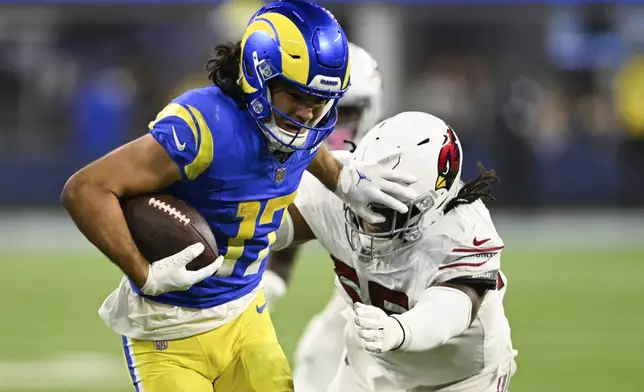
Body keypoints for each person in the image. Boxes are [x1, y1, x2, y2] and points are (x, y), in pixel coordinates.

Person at [59, 2, 417, 391]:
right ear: (259, 78)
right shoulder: (205, 126)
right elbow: (86, 189)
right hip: (169, 327)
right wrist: (143, 273)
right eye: (297, 95)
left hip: (247, 316)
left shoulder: (300, 123)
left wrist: (343, 180)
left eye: (320, 101)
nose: (309, 114)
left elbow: (305, 141)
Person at [271, 111, 517, 392]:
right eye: (368, 197)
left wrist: (400, 330)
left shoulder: (462, 231)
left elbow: (451, 310)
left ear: (431, 206)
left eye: (387, 207)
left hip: (462, 379)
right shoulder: (342, 188)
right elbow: (266, 226)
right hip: (371, 366)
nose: (369, 218)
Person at [264, 41, 384, 392]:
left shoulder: (384, 163)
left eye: (340, 111)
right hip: (364, 291)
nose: (325, 121)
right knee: (320, 356)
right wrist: (264, 285)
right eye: (312, 103)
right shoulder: (285, 153)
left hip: (414, 293)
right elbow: (297, 215)